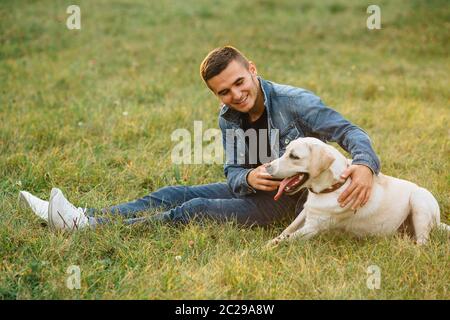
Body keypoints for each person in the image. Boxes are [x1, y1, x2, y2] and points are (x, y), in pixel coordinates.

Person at [19, 46, 380, 231]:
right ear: (216, 95)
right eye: (224, 91)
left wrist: (364, 165)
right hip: (262, 189)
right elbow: (233, 171)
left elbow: (349, 132)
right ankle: (84, 217)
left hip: (298, 202)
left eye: (240, 82)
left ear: (252, 70)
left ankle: (87, 229)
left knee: (193, 209)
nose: (236, 95)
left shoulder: (294, 101)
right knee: (174, 193)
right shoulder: (229, 117)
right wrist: (248, 177)